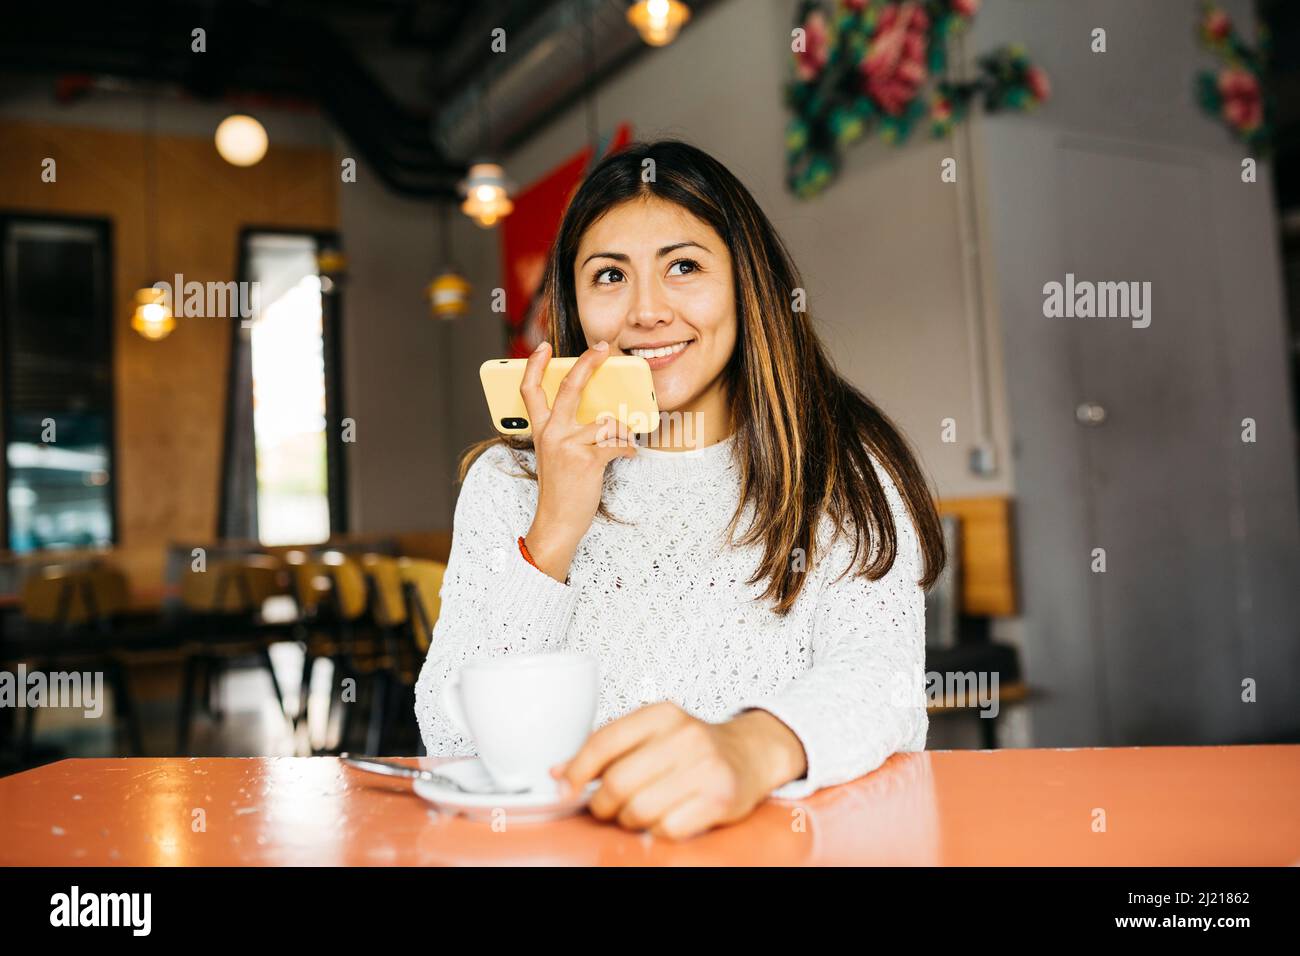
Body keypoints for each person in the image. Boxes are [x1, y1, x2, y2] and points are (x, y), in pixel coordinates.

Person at [415, 139, 945, 839]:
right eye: (609, 276)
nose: (646, 312)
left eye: (684, 267)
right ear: (573, 301)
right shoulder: (508, 481)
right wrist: (554, 528)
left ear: (746, 283)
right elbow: (451, 737)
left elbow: (885, 684)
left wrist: (747, 750)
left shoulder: (846, 466)